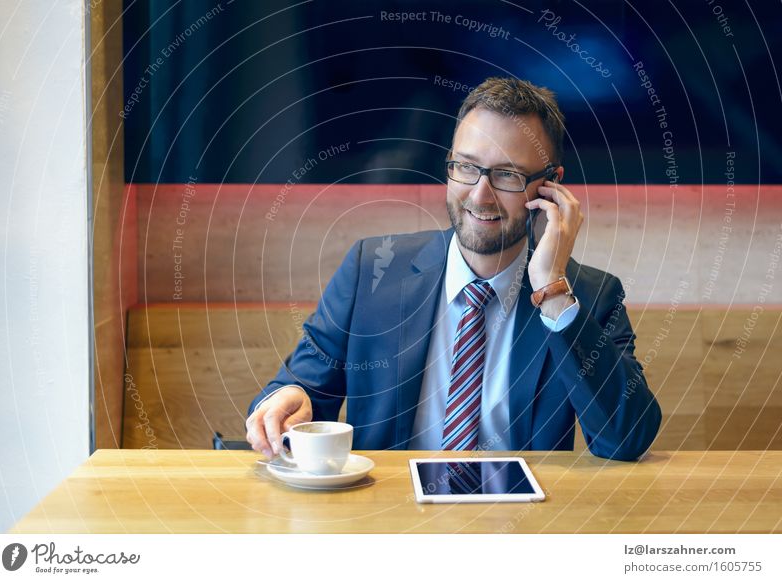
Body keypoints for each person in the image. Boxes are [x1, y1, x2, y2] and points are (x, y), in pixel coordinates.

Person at [246, 77, 661, 461]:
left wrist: (552, 292)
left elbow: (626, 439)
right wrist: (284, 403)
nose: (480, 196)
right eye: (466, 167)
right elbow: (300, 390)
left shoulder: (587, 296)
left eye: (507, 175)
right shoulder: (370, 272)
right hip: (390, 518)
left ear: (550, 187)